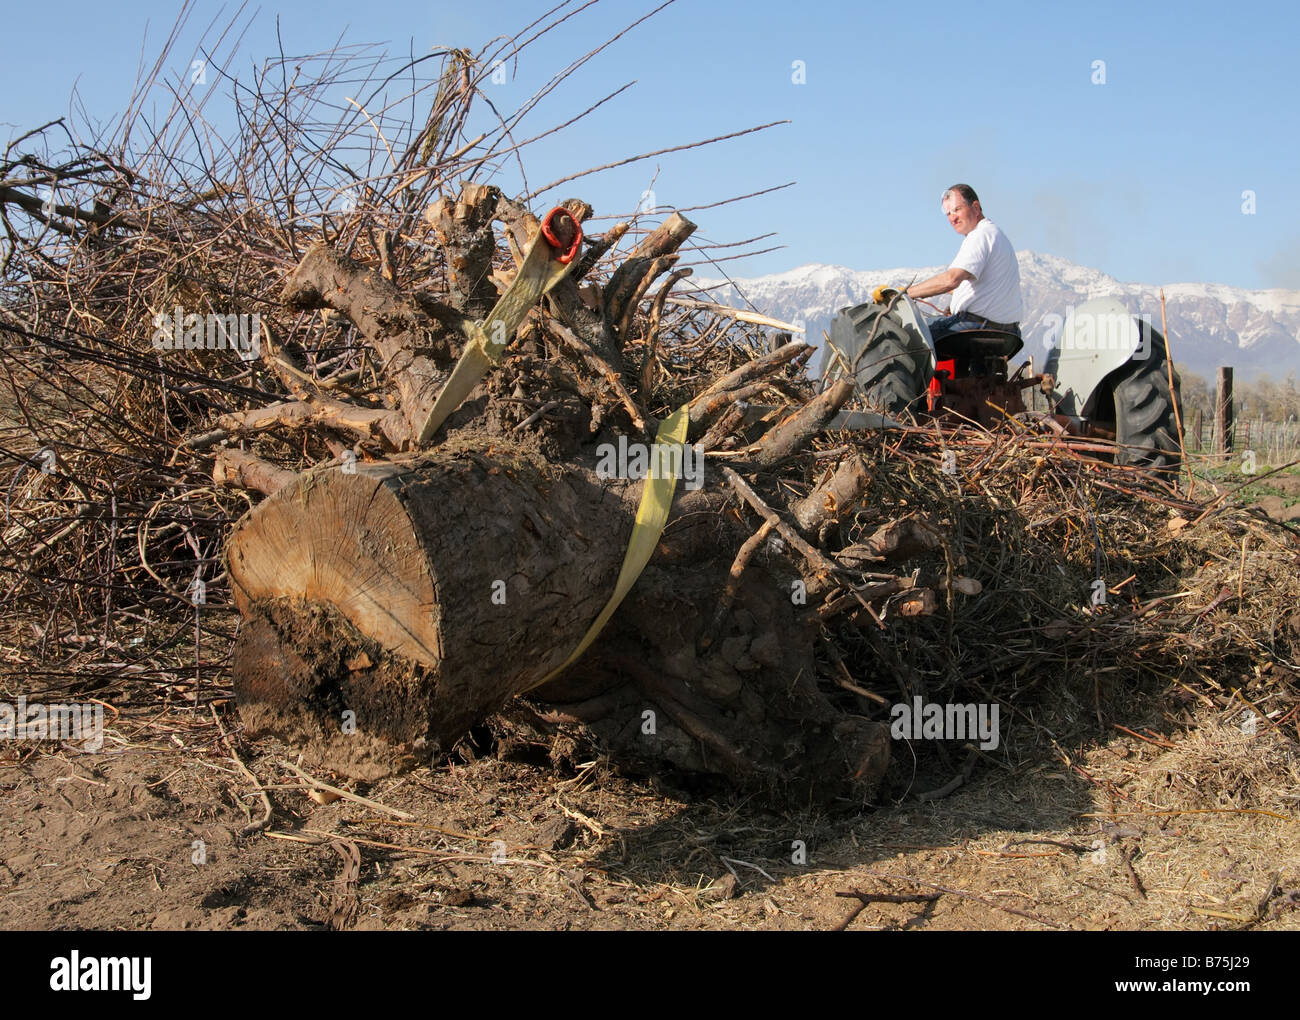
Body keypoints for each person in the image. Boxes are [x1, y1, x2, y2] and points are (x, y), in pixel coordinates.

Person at [903, 184, 1023, 344]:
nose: (953, 218)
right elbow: (962, 286)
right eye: (948, 214)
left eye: (957, 209)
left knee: (906, 335)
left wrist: (903, 294)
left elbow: (951, 279)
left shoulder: (980, 235)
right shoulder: (995, 235)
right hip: (1009, 332)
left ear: (976, 207)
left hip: (976, 327)